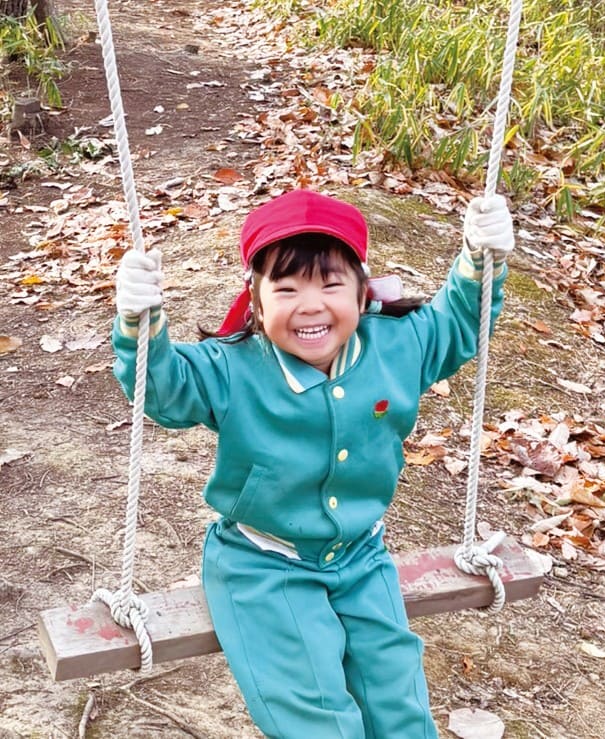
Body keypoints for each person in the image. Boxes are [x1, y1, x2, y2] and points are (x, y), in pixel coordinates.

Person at [112, 188, 515, 738]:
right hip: (263, 562)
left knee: (400, 711)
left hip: (362, 553)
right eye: (286, 289)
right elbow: (163, 390)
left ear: (361, 292)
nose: (310, 305)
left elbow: (455, 324)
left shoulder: (396, 344)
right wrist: (142, 325)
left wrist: (480, 258)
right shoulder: (232, 368)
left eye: (330, 284)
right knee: (320, 720)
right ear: (256, 302)